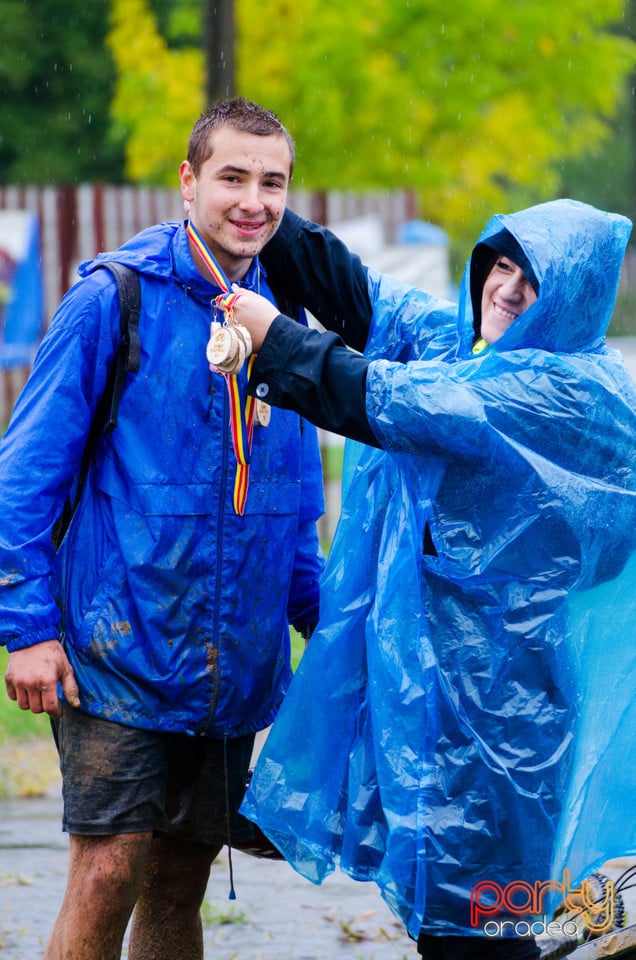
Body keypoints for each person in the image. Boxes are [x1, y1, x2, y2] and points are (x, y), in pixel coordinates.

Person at [223, 198, 636, 959]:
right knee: (444, 917)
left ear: (574, 297)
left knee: (481, 927)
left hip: (506, 707)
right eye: (500, 264)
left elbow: (389, 397)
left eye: (533, 278)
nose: (506, 288)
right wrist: (264, 214)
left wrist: (272, 338)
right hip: (435, 688)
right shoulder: (477, 352)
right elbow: (372, 304)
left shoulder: (562, 392)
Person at [0, 98, 325, 960]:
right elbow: (23, 477)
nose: (252, 201)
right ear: (188, 182)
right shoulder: (115, 298)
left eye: (272, 182)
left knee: (181, 882)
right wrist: (28, 631)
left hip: (236, 662)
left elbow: (293, 503)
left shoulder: (284, 326)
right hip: (121, 652)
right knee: (108, 873)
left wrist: (322, 625)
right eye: (232, 177)